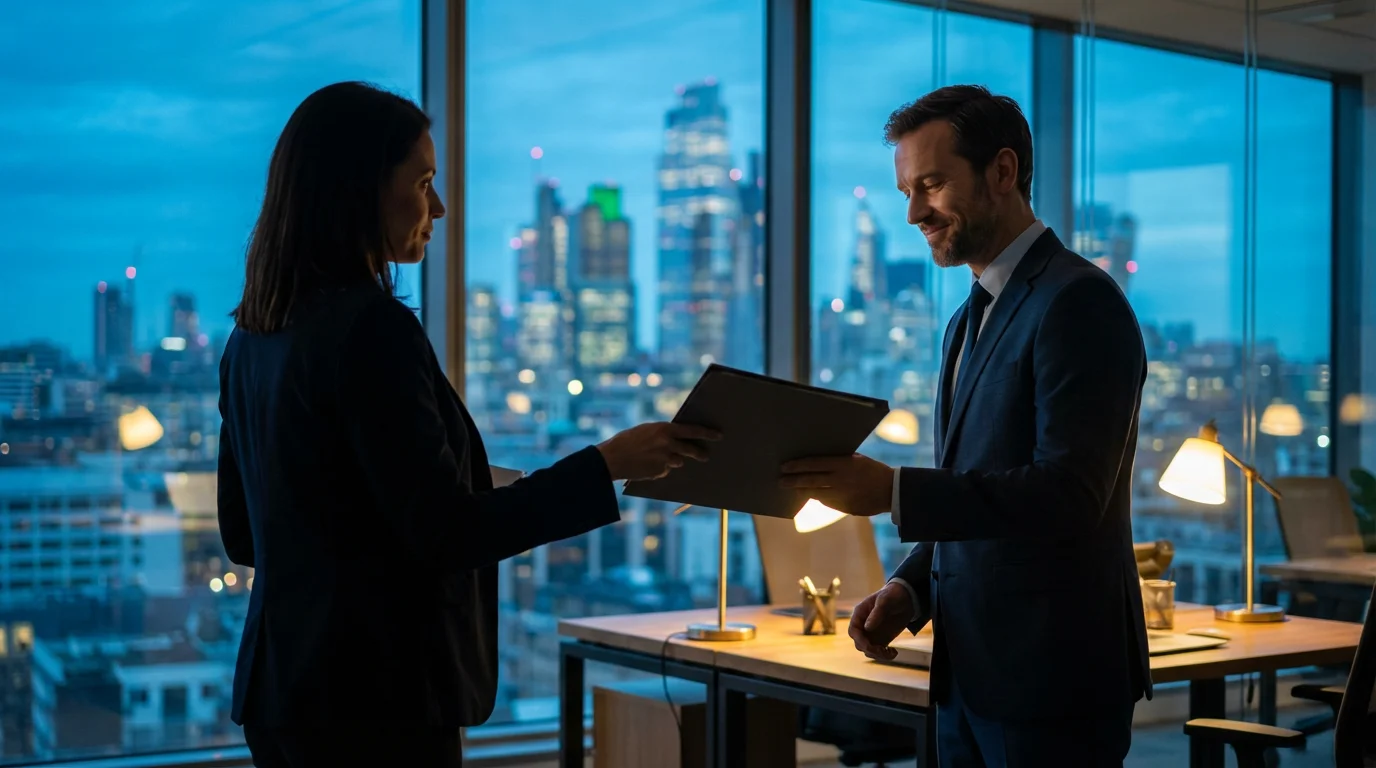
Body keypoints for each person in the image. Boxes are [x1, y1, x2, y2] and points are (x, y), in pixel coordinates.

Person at [217, 81, 717, 768]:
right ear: (357, 191)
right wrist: (607, 464)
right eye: (422, 182)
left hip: (282, 693)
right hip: (378, 703)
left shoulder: (252, 337)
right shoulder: (373, 331)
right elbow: (447, 534)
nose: (440, 208)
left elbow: (245, 532)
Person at [779, 85, 1151, 766]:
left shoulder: (1078, 303)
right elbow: (976, 485)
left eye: (932, 184)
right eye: (907, 192)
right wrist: (911, 586)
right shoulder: (965, 319)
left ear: (1002, 173)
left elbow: (1068, 494)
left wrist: (892, 492)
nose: (916, 212)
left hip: (1053, 678)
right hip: (967, 675)